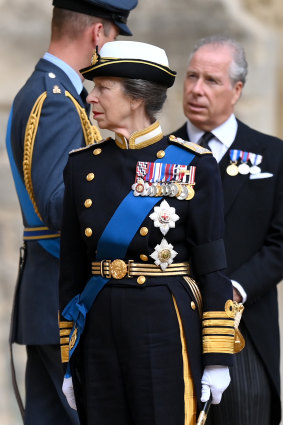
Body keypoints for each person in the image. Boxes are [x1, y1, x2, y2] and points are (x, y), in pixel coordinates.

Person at [58, 39, 243, 425]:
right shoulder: (81, 166)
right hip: (98, 327)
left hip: (163, 323)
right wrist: (67, 358)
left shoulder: (194, 165)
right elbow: (71, 273)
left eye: (102, 88)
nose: (91, 97)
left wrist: (217, 359)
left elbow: (213, 270)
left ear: (135, 97)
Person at [5, 1, 137, 424]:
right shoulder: (55, 99)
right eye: (114, 37)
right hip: (64, 303)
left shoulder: (56, 93)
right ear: (98, 34)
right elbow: (59, 203)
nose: (110, 48)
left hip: (53, 300)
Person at [172, 35, 283, 425]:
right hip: (172, 326)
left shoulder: (273, 155)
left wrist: (234, 290)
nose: (197, 89)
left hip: (244, 329)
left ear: (237, 90)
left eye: (211, 80)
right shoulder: (160, 155)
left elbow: (280, 243)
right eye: (191, 76)